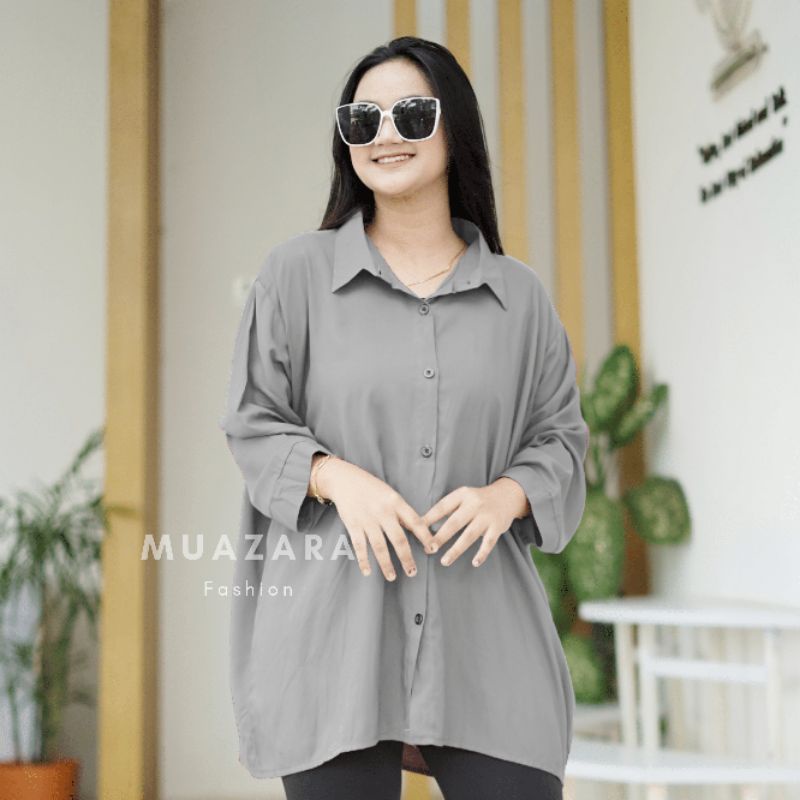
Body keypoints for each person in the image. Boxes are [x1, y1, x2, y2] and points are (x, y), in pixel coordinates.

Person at [219, 35, 589, 800]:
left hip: (487, 642)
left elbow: (560, 438)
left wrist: (508, 495)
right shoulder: (294, 277)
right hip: (331, 642)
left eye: (412, 114)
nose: (386, 134)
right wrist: (334, 478)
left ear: (455, 129)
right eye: (364, 119)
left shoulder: (520, 299)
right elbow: (253, 419)